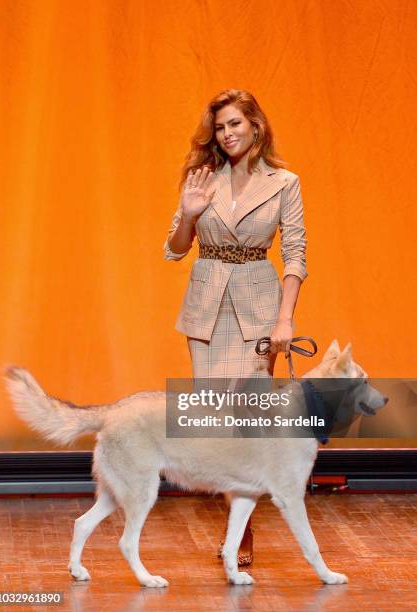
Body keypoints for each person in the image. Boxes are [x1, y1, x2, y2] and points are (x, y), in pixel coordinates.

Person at [164, 89, 308, 565]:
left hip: (258, 306)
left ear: (256, 127)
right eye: (220, 126)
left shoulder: (284, 182)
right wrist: (189, 211)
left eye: (235, 124)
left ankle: (241, 531)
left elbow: (294, 254)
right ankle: (238, 520)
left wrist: (285, 317)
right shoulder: (200, 178)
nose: (227, 134)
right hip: (207, 307)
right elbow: (177, 247)